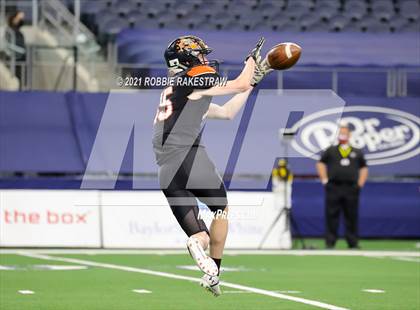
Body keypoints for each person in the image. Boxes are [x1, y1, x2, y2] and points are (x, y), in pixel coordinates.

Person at [152, 35, 269, 296]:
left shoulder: (178, 91)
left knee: (200, 235)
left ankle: (206, 265)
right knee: (222, 209)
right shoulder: (191, 81)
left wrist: (250, 84)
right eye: (200, 55)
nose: (205, 59)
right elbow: (238, 84)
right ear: (186, 59)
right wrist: (251, 63)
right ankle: (215, 266)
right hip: (188, 157)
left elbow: (227, 112)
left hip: (167, 171)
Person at [316, 124, 368, 249]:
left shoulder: (357, 151)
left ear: (349, 135)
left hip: (351, 188)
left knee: (351, 215)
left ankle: (352, 242)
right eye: (341, 133)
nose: (342, 135)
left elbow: (364, 168)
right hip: (334, 187)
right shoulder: (331, 150)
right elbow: (320, 164)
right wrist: (324, 180)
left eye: (345, 133)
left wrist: (360, 184)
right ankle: (330, 242)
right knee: (331, 215)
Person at [7, 11, 26, 89]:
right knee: (14, 79)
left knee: (21, 78)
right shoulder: (10, 31)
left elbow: (20, 23)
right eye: (17, 18)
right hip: (12, 58)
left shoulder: (19, 32)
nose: (19, 20)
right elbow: (7, 44)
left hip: (21, 58)